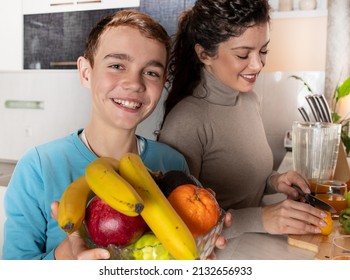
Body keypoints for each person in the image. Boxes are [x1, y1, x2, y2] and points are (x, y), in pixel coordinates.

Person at [3, 10, 227, 260]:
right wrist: (63, 257)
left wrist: (201, 245)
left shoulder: (172, 163)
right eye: (117, 65)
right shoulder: (38, 168)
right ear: (86, 72)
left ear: (163, 82)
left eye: (151, 72)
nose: (134, 83)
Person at [158, 0, 329, 239]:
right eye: (243, 54)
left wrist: (275, 180)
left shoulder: (249, 100)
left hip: (253, 245)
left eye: (263, 51)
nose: (258, 64)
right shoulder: (186, 122)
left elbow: (242, 178)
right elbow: (179, 223)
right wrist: (261, 218)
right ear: (205, 54)